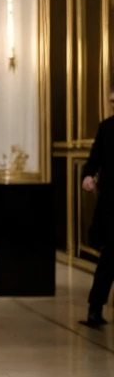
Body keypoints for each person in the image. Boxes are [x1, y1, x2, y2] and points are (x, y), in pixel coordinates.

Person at [80, 92, 114, 327]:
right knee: (110, 257)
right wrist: (87, 175)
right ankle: (95, 309)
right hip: (112, 202)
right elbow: (94, 159)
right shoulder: (107, 128)